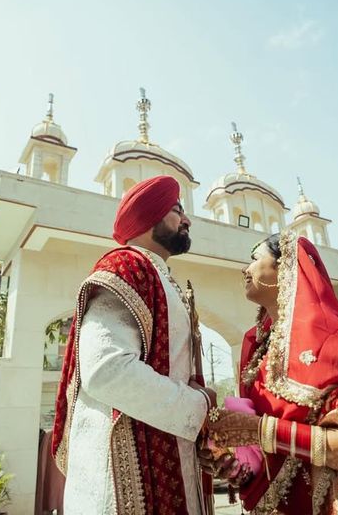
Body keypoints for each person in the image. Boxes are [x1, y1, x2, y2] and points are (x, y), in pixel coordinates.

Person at [52, 175, 216, 515]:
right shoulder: (125, 267)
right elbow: (107, 370)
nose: (186, 220)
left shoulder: (159, 277)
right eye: (175, 210)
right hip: (121, 488)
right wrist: (197, 407)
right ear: (147, 216)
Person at [208, 230, 338, 515]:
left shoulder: (337, 343)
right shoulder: (257, 352)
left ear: (284, 268)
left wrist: (262, 431)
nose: (244, 269)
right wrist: (234, 460)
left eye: (254, 258)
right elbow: (264, 451)